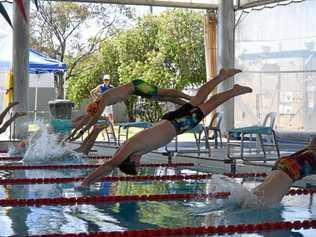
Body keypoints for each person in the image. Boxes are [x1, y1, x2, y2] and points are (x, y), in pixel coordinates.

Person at [81, 68, 253, 186]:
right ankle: (222, 77)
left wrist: (85, 182)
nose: (139, 163)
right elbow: (114, 161)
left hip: (177, 124)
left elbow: (109, 165)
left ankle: (233, 90)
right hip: (172, 122)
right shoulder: (134, 149)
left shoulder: (131, 147)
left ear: (129, 159)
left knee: (207, 104)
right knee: (198, 100)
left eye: (136, 165)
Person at [66, 79, 193, 141]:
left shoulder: (102, 101)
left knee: (164, 92)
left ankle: (190, 97)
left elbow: (92, 120)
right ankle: (189, 103)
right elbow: (86, 119)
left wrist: (80, 134)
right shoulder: (97, 103)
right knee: (163, 97)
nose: (96, 113)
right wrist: (74, 133)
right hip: (136, 90)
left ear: (95, 107)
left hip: (137, 86)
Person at [252, 136, 316, 206]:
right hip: (290, 169)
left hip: (283, 163)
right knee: (260, 205)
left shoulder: (309, 153)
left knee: (254, 197)